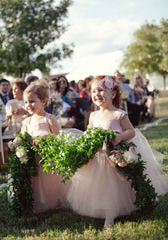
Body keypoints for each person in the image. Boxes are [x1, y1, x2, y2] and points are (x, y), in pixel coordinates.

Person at [67, 75, 168, 227]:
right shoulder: (94, 115)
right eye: (94, 91)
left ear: (112, 94)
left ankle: (111, 214)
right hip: (98, 155)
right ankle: (100, 207)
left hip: (116, 154)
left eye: (101, 90)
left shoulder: (119, 114)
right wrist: (86, 141)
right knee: (99, 184)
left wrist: (119, 137)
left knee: (116, 183)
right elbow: (89, 131)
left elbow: (131, 131)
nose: (96, 94)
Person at [21, 79, 71, 213]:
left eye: (32, 101)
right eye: (26, 102)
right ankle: (37, 203)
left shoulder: (49, 118)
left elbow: (57, 136)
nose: (28, 105)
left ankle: (54, 201)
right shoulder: (27, 121)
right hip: (33, 157)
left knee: (49, 180)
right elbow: (23, 137)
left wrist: (45, 139)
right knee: (35, 181)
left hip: (48, 157)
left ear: (43, 101)